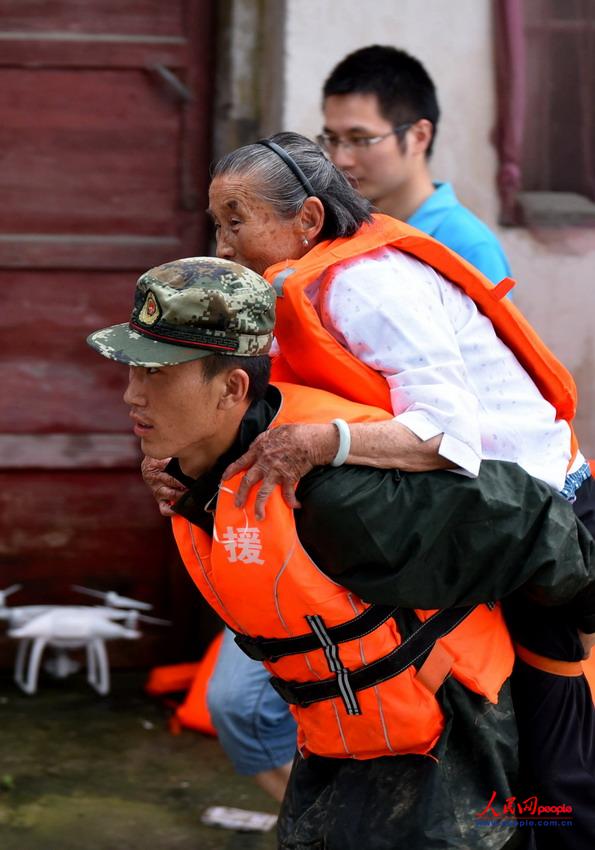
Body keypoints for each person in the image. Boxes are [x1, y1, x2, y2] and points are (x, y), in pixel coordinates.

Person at [88, 256, 594, 849]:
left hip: (450, 747)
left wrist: (577, 629)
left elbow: (533, 520)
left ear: (233, 388)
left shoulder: (337, 496)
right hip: (340, 743)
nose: (131, 395)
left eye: (157, 374)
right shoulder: (203, 470)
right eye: (132, 369)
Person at [193, 132, 593, 848]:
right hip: (467, 518)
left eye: (235, 220)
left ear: (308, 221)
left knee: (553, 766)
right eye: (216, 223)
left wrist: (323, 443)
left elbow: (448, 432)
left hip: (539, 516)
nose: (222, 246)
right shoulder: (299, 284)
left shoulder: (367, 284)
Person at [320, 44, 512, 285]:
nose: (340, 159)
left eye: (361, 139)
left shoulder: (468, 247)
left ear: (419, 136)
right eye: (332, 139)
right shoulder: (340, 231)